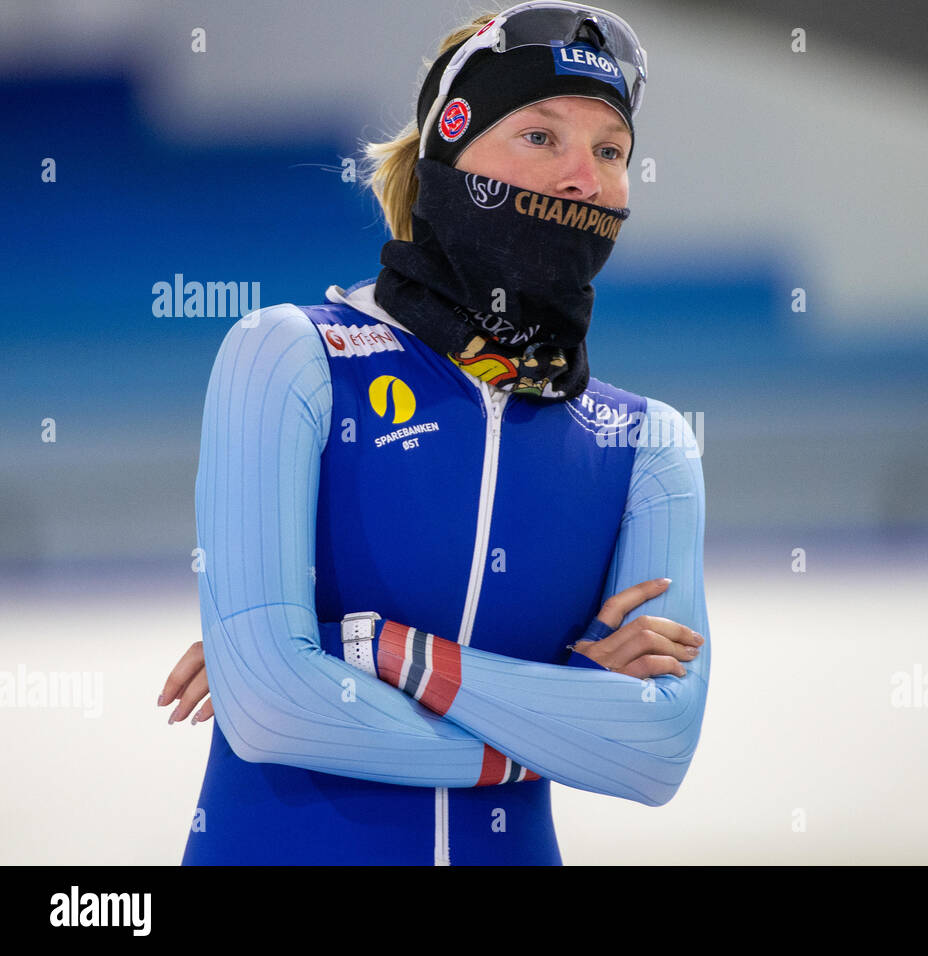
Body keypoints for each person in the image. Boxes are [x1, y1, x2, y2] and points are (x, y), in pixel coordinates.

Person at [157, 2, 710, 866]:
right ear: (448, 155)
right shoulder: (291, 357)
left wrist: (378, 650)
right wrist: (550, 728)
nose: (582, 177)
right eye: (540, 136)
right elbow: (270, 704)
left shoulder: (646, 443)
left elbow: (655, 749)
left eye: (610, 151)